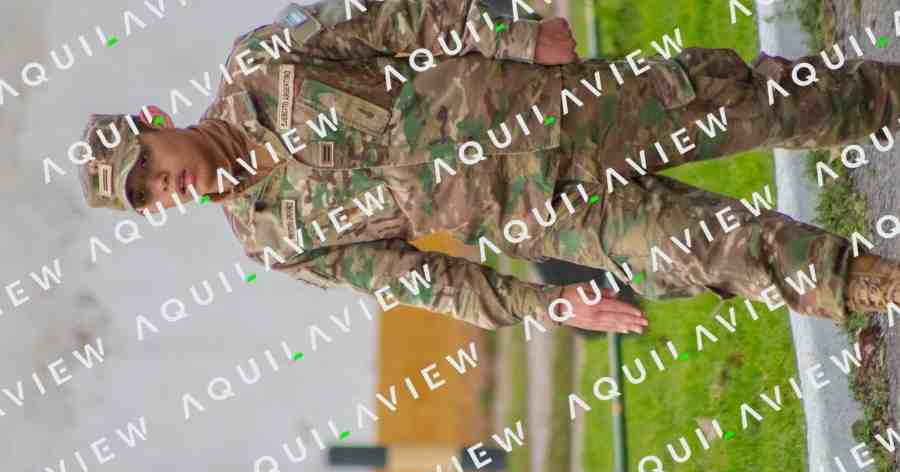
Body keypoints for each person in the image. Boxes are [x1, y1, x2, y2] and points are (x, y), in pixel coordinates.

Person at [79, 0, 900, 335]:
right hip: (548, 213)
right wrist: (549, 303)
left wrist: (510, 33)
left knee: (769, 104)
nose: (164, 188)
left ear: (156, 123)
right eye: (147, 199)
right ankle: (879, 285)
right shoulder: (274, 239)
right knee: (712, 253)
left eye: (148, 166)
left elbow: (400, 18)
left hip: (573, 107)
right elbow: (422, 281)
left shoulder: (264, 63)